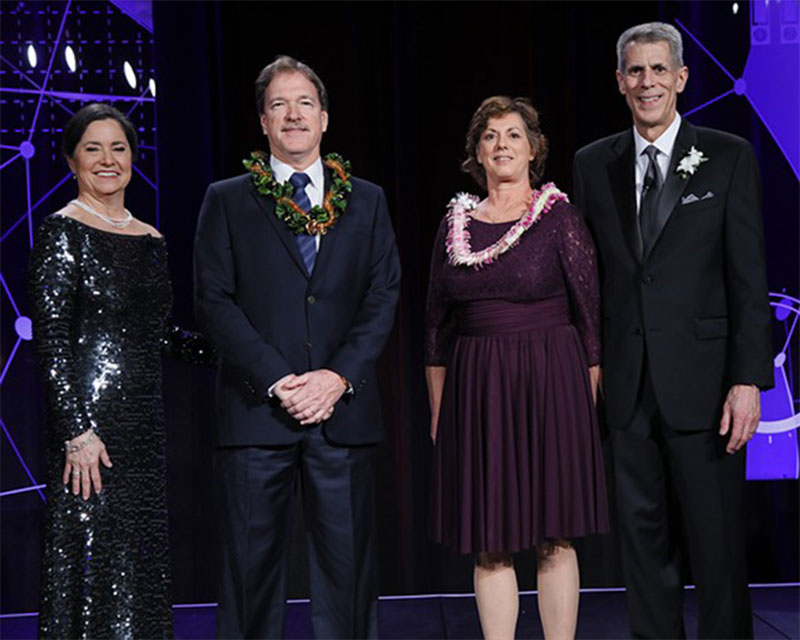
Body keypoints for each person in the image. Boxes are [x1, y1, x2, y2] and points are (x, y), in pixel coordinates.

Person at [572, 22, 773, 639]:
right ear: (619, 82)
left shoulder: (729, 155)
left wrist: (748, 379)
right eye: (636, 71)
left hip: (708, 390)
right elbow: (589, 282)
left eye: (660, 70)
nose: (648, 82)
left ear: (682, 78)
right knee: (643, 555)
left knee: (717, 554)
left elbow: (748, 277)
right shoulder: (591, 164)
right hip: (628, 394)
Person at [193, 55, 401, 639]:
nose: (293, 114)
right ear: (262, 121)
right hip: (258, 414)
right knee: (249, 576)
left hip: (343, 414)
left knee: (349, 575)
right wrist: (279, 380)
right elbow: (213, 301)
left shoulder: (367, 200)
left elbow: (382, 297)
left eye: (304, 103)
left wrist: (337, 378)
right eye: (279, 104)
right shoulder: (227, 199)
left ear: (325, 117)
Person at [425, 96, 609, 640]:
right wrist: (441, 413)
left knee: (555, 536)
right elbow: (434, 331)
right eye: (489, 136)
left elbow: (590, 321)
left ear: (533, 149)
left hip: (554, 384)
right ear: (476, 153)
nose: (500, 144)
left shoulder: (561, 219)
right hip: (478, 389)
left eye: (512, 135)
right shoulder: (453, 226)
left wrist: (583, 409)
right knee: (490, 536)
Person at [29, 103, 213, 639]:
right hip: (89, 438)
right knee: (89, 566)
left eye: (119, 148)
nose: (108, 160)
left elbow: (159, 335)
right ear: (71, 161)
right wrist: (75, 432)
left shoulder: (151, 239)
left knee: (140, 569)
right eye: (93, 148)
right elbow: (53, 340)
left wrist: (238, 348)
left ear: (133, 157)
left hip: (143, 432)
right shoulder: (61, 232)